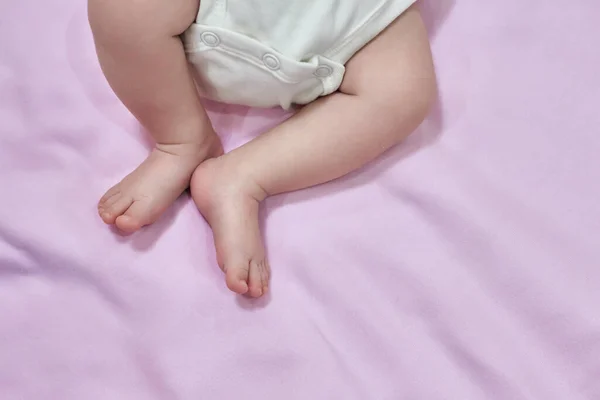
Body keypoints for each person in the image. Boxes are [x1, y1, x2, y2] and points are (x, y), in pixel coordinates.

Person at [89, 0, 436, 298]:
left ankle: (242, 175)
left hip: (350, 23)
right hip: (210, 12)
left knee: (405, 92)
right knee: (123, 9)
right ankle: (181, 139)